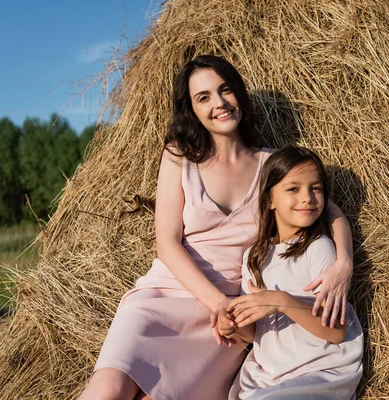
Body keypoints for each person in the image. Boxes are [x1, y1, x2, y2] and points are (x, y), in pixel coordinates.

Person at [77, 55, 355, 400]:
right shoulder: (179, 156)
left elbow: (330, 209)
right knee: (109, 389)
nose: (219, 103)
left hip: (226, 323)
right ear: (191, 110)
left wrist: (344, 263)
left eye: (225, 91)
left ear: (238, 94)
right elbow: (167, 243)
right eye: (203, 97)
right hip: (167, 296)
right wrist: (217, 302)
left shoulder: (271, 164)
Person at [219, 145, 363, 400]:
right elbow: (253, 333)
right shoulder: (253, 256)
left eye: (315, 188)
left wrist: (283, 302)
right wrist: (233, 324)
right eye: (293, 189)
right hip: (269, 374)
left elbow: (335, 331)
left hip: (316, 371)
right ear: (270, 200)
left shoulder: (319, 248)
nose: (307, 197)